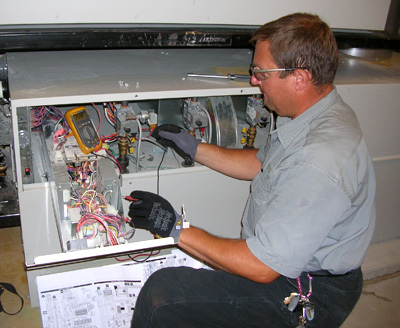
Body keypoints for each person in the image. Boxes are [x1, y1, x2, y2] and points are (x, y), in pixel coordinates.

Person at [128, 13, 376, 328]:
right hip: (292, 267)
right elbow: (263, 163)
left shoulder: (319, 161)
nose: (253, 80)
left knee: (162, 296)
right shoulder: (311, 113)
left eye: (261, 72)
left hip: (308, 289)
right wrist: (194, 148)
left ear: (298, 78)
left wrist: (176, 228)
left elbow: (261, 266)